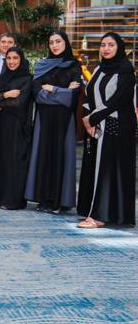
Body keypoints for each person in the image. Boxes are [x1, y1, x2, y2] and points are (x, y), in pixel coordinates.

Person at [77, 32, 136, 228]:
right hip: (98, 127)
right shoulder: (99, 70)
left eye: (111, 45)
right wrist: (89, 119)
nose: (106, 49)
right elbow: (90, 95)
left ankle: (100, 216)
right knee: (97, 168)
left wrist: (90, 119)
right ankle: (102, 212)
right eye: (103, 45)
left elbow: (117, 100)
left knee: (109, 171)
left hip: (118, 128)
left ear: (119, 47)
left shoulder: (127, 72)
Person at [25, 31, 82, 214]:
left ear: (65, 42)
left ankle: (59, 201)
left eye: (58, 41)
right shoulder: (42, 65)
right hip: (44, 118)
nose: (55, 45)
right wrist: (62, 91)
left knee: (61, 157)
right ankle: (43, 199)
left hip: (64, 120)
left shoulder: (74, 66)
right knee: (43, 156)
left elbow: (72, 98)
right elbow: (38, 95)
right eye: (51, 42)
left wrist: (53, 89)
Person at [0, 47, 33, 210]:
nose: (11, 62)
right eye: (9, 58)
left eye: (15, 58)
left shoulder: (27, 79)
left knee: (13, 161)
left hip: (16, 127)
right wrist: (6, 95)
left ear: (21, 60)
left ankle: (12, 200)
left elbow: (19, 103)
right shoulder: (3, 77)